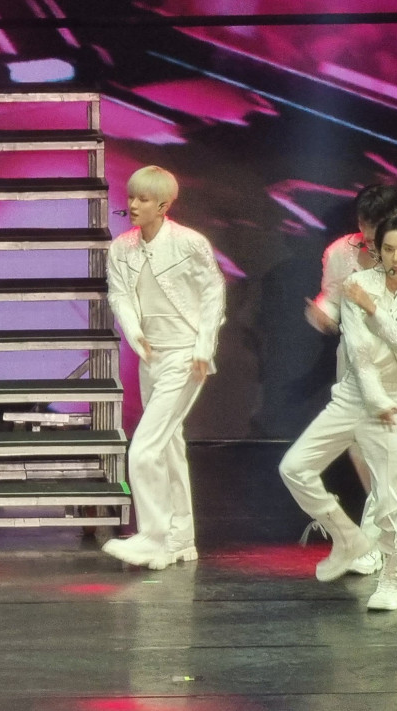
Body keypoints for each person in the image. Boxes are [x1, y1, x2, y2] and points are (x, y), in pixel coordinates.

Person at [279, 214, 397, 611]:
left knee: (390, 498)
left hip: (393, 400)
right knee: (294, 467)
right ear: (377, 250)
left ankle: (391, 580)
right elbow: (358, 352)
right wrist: (374, 400)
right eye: (387, 249)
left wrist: (373, 310)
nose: (394, 258)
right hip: (356, 396)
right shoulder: (358, 284)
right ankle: (347, 537)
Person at [101, 165, 226, 570]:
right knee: (169, 445)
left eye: (143, 199)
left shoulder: (189, 243)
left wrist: (204, 346)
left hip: (185, 356)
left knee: (144, 448)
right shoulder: (122, 247)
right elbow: (120, 294)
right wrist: (134, 332)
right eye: (132, 197)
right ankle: (180, 538)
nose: (134, 205)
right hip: (152, 357)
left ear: (164, 205)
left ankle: (153, 537)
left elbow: (213, 293)